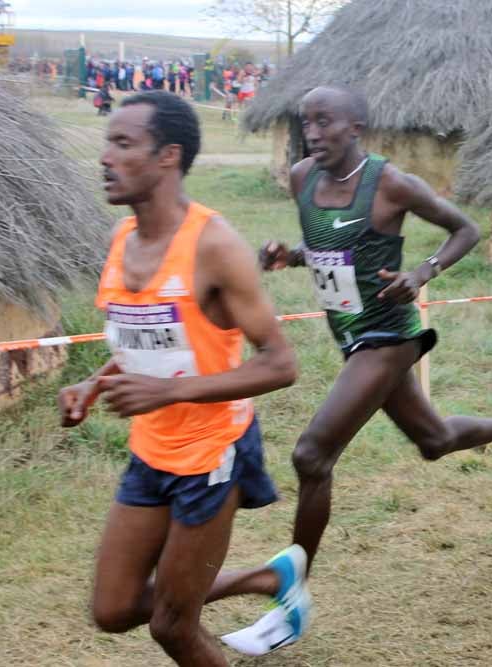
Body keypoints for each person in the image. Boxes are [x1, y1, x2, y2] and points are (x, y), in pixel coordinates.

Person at [221, 85, 492, 656]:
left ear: (356, 125)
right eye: (307, 122)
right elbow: (340, 248)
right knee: (434, 440)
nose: (314, 131)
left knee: (311, 456)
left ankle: (290, 601)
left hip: (388, 336)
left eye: (326, 121)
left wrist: (421, 273)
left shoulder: (392, 183)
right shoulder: (304, 177)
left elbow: (466, 230)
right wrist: (294, 256)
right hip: (350, 335)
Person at [59, 91, 308, 666]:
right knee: (114, 609)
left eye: (123, 143)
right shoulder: (123, 240)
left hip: (212, 454)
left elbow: (281, 363)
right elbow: (141, 343)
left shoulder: (214, 246)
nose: (105, 156)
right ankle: (265, 578)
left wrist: (168, 392)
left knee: (172, 625)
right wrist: (93, 383)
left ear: (168, 155)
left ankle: (252, 583)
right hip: (152, 452)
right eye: (107, 141)